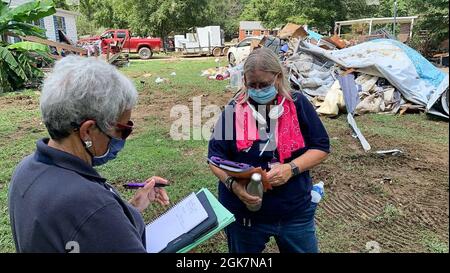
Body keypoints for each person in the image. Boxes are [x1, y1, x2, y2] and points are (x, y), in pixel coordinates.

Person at [8, 56, 170, 253]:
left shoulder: (27, 169)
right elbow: (92, 219)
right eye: (123, 130)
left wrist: (133, 208)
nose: (123, 138)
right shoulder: (90, 204)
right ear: (88, 131)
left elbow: (84, 234)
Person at [208, 47, 330, 253]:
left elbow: (321, 147)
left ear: (278, 77)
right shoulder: (233, 110)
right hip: (246, 216)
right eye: (251, 85)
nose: (257, 90)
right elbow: (214, 158)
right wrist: (233, 186)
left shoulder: (298, 104)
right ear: (244, 81)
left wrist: (291, 168)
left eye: (264, 84)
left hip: (294, 212)